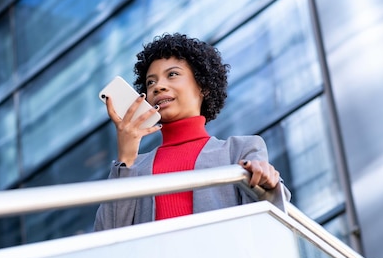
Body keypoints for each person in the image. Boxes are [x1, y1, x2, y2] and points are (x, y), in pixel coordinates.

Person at [94, 32, 288, 231]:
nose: (158, 86)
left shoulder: (239, 151)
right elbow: (107, 234)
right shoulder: (134, 168)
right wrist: (126, 157)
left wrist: (267, 183)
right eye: (151, 82)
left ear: (203, 87)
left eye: (172, 74)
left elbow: (267, 224)